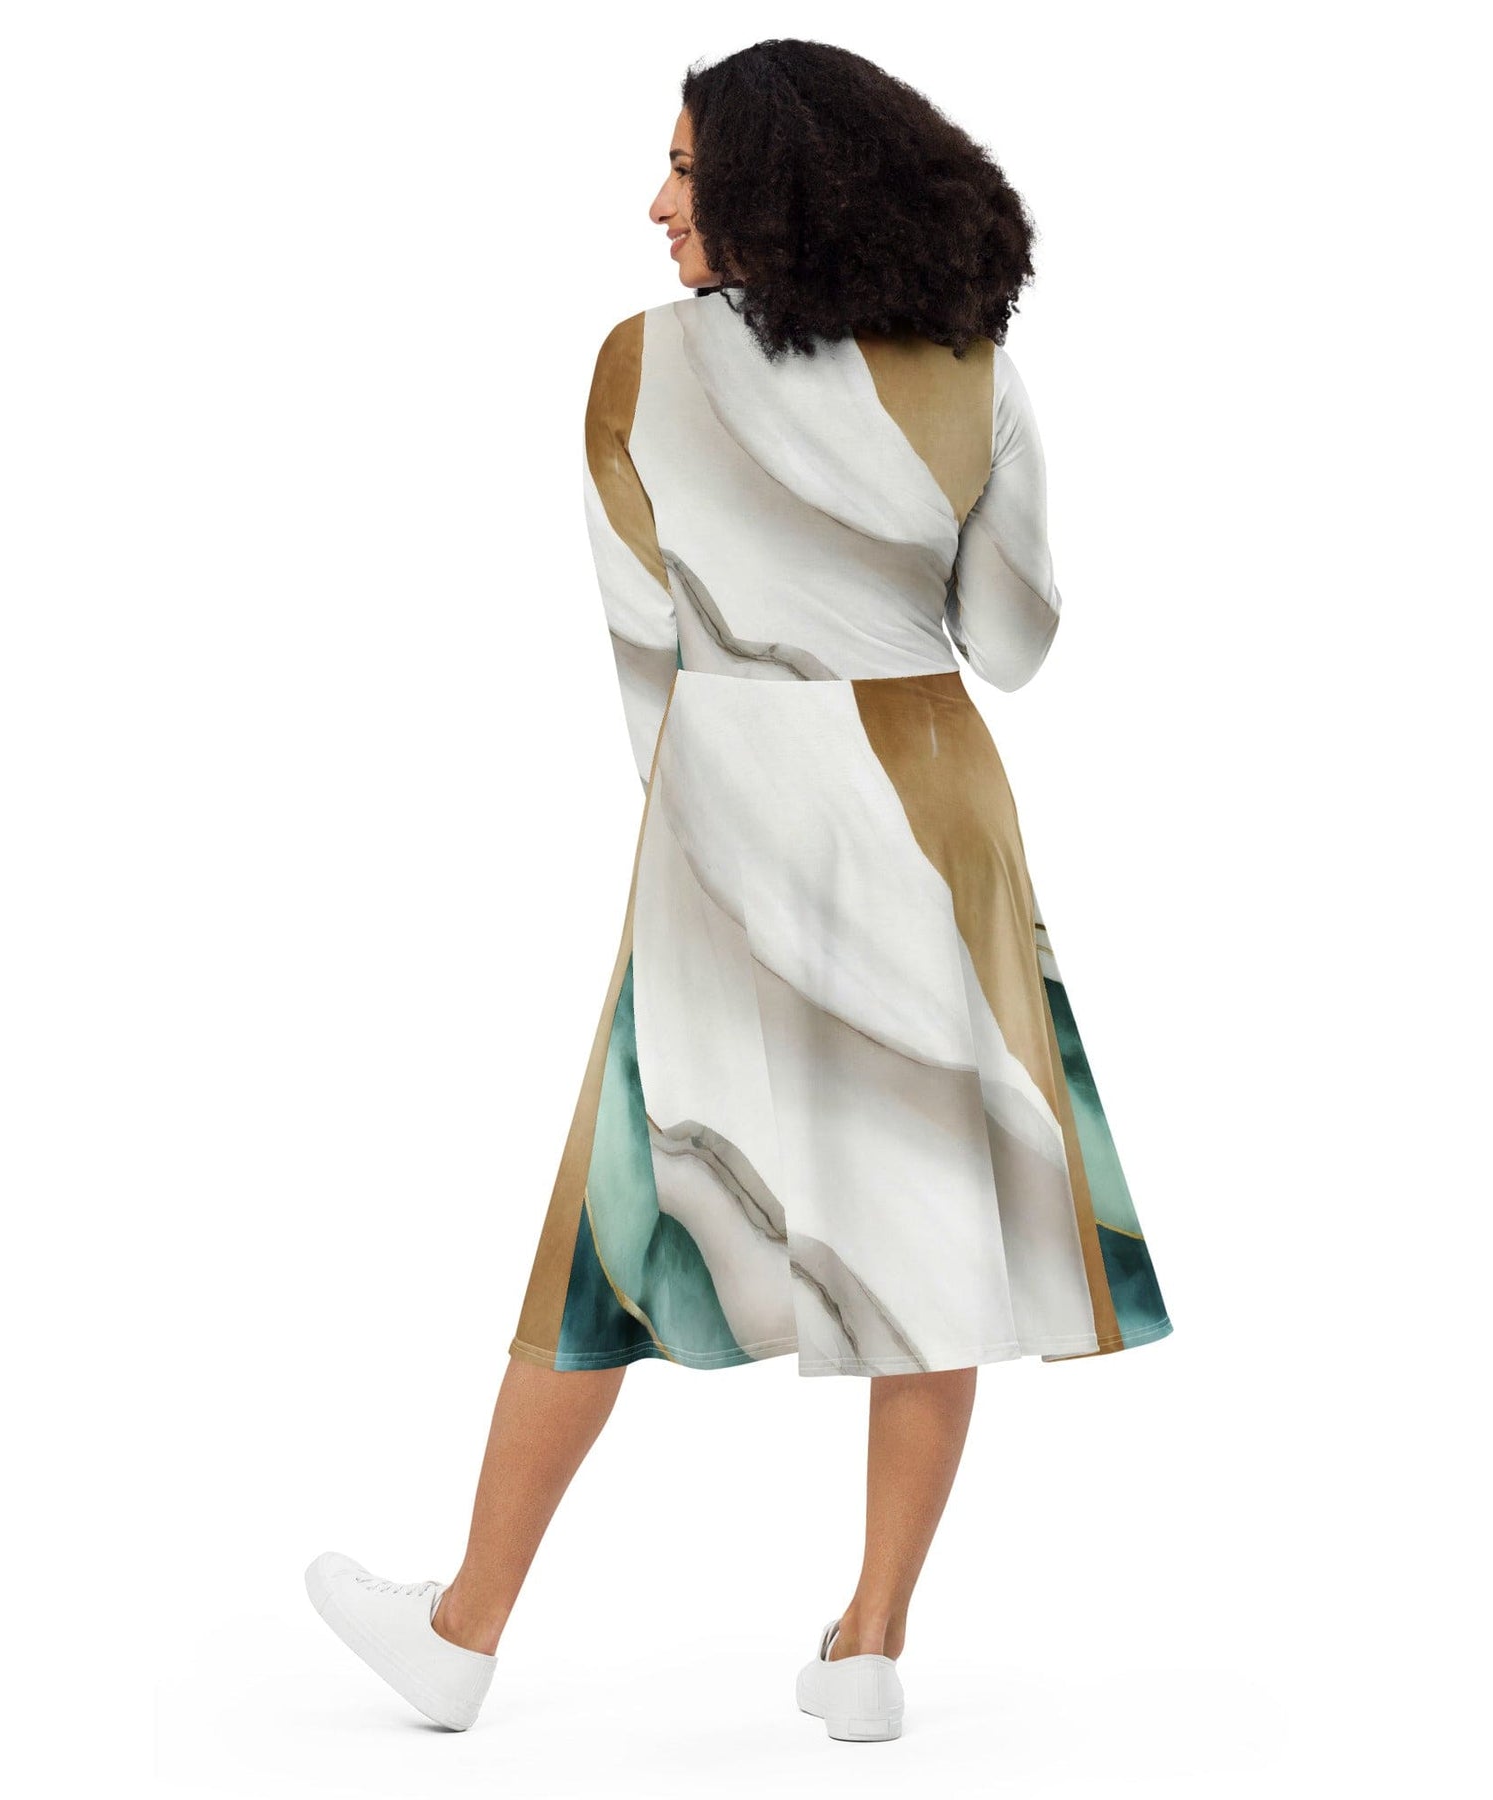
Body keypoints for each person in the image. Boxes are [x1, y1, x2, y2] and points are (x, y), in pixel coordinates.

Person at [304, 37, 1173, 1744]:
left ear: (780, 185)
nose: (657, 203)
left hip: (725, 801)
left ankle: (465, 1630)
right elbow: (1011, 644)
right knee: (926, 1216)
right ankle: (867, 1648)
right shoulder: (970, 367)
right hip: (930, 805)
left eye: (687, 172)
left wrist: (710, 825)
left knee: (615, 1221)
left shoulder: (636, 365)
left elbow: (645, 658)